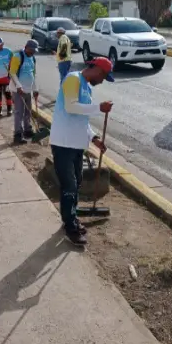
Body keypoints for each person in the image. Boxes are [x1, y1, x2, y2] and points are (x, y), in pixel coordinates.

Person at [49, 57, 114, 246]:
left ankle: (72, 218)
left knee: (75, 185)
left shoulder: (87, 87)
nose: (102, 81)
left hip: (77, 144)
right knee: (69, 186)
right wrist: (99, 108)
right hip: (63, 143)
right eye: (103, 76)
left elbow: (82, 119)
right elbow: (71, 107)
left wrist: (94, 138)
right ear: (97, 69)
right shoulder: (73, 78)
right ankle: (70, 227)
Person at [9, 39, 39, 144]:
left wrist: (35, 89)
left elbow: (33, 74)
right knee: (19, 113)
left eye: (34, 51)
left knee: (28, 111)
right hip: (18, 91)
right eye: (31, 50)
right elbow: (12, 73)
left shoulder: (33, 58)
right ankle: (17, 135)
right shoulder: (18, 56)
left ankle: (27, 131)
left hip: (28, 90)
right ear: (26, 47)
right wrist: (18, 86)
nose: (33, 52)